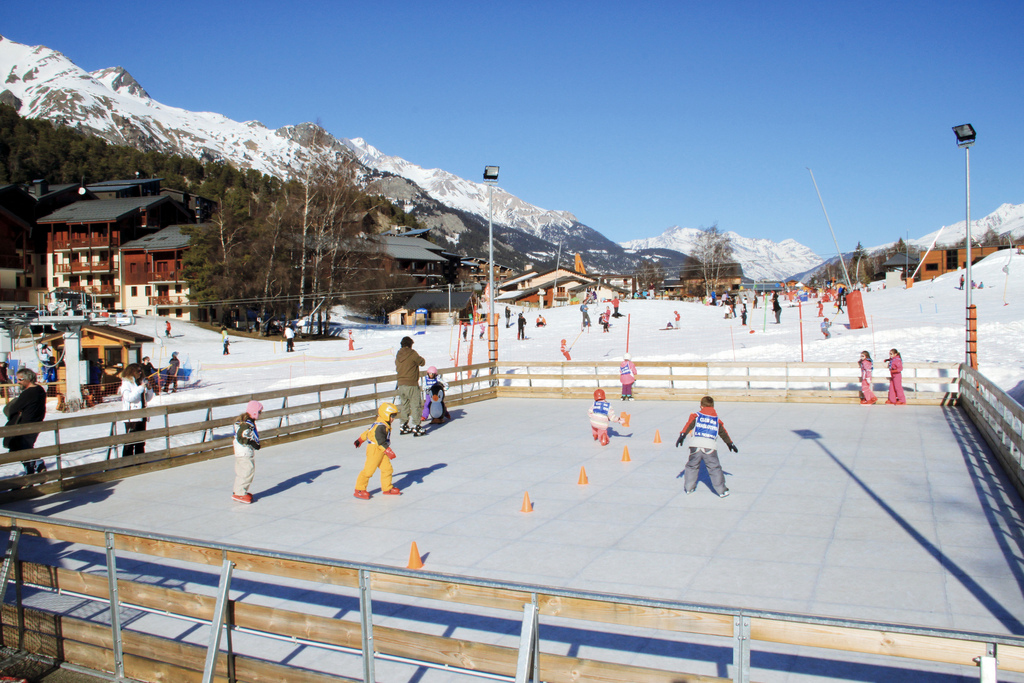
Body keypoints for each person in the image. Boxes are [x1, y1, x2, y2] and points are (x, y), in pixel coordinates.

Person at [676, 395, 738, 498]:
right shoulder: (716, 420)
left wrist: (682, 435)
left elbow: (688, 425)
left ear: (701, 406)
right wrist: (730, 443)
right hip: (710, 447)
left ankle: (689, 488)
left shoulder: (696, 416)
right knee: (714, 468)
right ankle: (722, 491)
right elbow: (723, 433)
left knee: (692, 466)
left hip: (695, 445)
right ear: (713, 406)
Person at [353, 402, 401, 499]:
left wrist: (360, 440)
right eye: (392, 416)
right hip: (374, 450)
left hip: (381, 450)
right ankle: (359, 489)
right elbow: (380, 441)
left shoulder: (383, 423)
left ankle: (387, 488)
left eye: (394, 416)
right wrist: (388, 451)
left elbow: (368, 432)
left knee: (387, 469)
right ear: (385, 414)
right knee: (368, 471)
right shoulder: (380, 426)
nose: (393, 418)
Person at [4, 368, 47, 475]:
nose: (18, 382)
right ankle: (35, 467)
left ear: (28, 379)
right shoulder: (40, 390)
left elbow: (12, 409)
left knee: (21, 448)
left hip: (24, 426)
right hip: (37, 424)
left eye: (20, 379)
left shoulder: (28, 393)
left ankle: (35, 467)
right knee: (26, 447)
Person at [119, 363, 154, 458]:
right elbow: (129, 398)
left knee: (141, 442)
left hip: (142, 415)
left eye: (141, 370)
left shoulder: (140, 382)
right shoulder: (126, 383)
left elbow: (147, 399)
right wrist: (140, 388)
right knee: (130, 442)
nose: (140, 372)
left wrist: (149, 389)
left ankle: (140, 460)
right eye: (138, 371)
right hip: (132, 417)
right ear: (132, 371)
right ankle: (127, 462)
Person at [232, 400, 262, 504]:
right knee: (247, 471)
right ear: (254, 412)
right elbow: (241, 437)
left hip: (240, 452)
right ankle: (240, 493)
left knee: (241, 472)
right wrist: (251, 442)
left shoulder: (245, 422)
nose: (260, 414)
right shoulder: (246, 424)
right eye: (259, 412)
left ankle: (238, 490)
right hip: (244, 452)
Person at [395, 336, 426, 436]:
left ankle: (403, 425)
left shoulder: (398, 354)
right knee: (415, 405)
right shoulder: (412, 353)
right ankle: (416, 426)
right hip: (411, 383)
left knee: (404, 405)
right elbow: (422, 362)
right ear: (410, 344)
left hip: (401, 384)